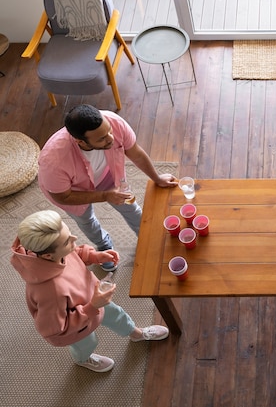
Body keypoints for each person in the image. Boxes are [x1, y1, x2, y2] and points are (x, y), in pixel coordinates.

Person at [10, 210, 170, 373]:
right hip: (75, 325)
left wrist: (94, 256)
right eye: (67, 241)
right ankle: (83, 358)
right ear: (48, 256)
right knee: (87, 343)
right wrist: (92, 307)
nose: (75, 239)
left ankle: (136, 334)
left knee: (117, 315)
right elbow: (56, 328)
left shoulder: (54, 252)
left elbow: (74, 253)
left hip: (93, 297)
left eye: (70, 234)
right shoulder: (49, 292)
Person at [38, 104, 178, 271]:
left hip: (108, 175)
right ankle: (104, 246)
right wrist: (104, 196)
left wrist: (157, 178)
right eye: (102, 139)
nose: (110, 138)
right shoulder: (53, 160)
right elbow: (62, 197)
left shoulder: (114, 122)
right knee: (87, 221)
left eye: (109, 131)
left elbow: (136, 153)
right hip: (73, 191)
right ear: (80, 141)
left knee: (130, 207)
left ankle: (147, 238)